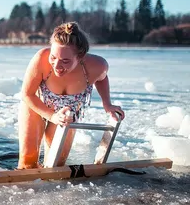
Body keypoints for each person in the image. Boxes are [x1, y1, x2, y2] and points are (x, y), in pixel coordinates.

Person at [18, 21, 125, 169]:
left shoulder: (97, 65)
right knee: (27, 163)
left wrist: (107, 104)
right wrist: (52, 116)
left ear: (80, 57)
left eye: (65, 61)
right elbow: (27, 94)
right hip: (37, 105)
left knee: (56, 165)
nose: (57, 65)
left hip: (67, 114)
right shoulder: (41, 59)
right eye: (53, 57)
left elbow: (102, 78)